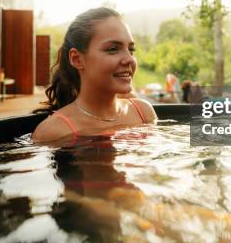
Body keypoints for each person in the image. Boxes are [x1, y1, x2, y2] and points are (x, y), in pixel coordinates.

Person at [32, 7, 157, 142]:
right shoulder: (54, 131)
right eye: (113, 49)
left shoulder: (143, 112)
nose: (130, 59)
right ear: (77, 59)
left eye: (131, 49)